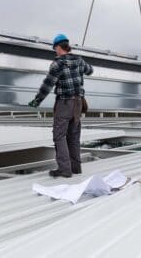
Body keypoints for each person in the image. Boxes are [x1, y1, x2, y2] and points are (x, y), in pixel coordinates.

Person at [29, 34, 94, 178]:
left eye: (55, 48)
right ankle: (76, 168)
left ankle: (64, 169)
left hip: (64, 103)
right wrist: (81, 68)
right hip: (78, 103)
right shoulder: (79, 60)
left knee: (59, 136)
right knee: (74, 136)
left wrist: (37, 101)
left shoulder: (57, 64)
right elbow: (90, 70)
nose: (55, 51)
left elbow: (47, 85)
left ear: (59, 47)